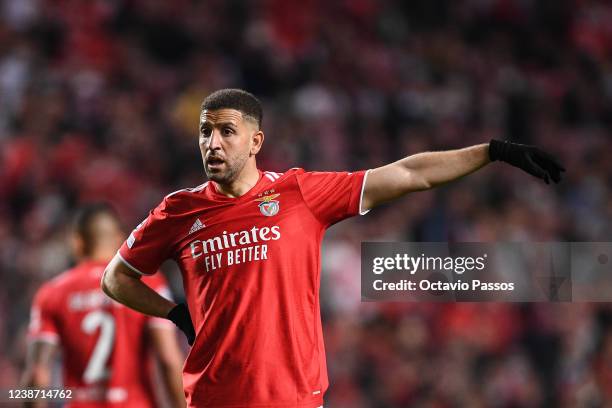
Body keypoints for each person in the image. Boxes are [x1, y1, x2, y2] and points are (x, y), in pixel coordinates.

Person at [101, 89, 565, 408]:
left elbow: (407, 174)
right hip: (212, 397)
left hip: (295, 398)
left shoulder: (300, 193)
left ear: (256, 141)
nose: (212, 143)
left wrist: (493, 151)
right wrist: (174, 313)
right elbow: (116, 278)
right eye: (205, 132)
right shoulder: (178, 211)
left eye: (226, 131)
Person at [22, 203, 186, 408]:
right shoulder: (148, 285)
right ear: (120, 239)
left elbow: (36, 374)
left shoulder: (52, 293)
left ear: (77, 242)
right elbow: (168, 360)